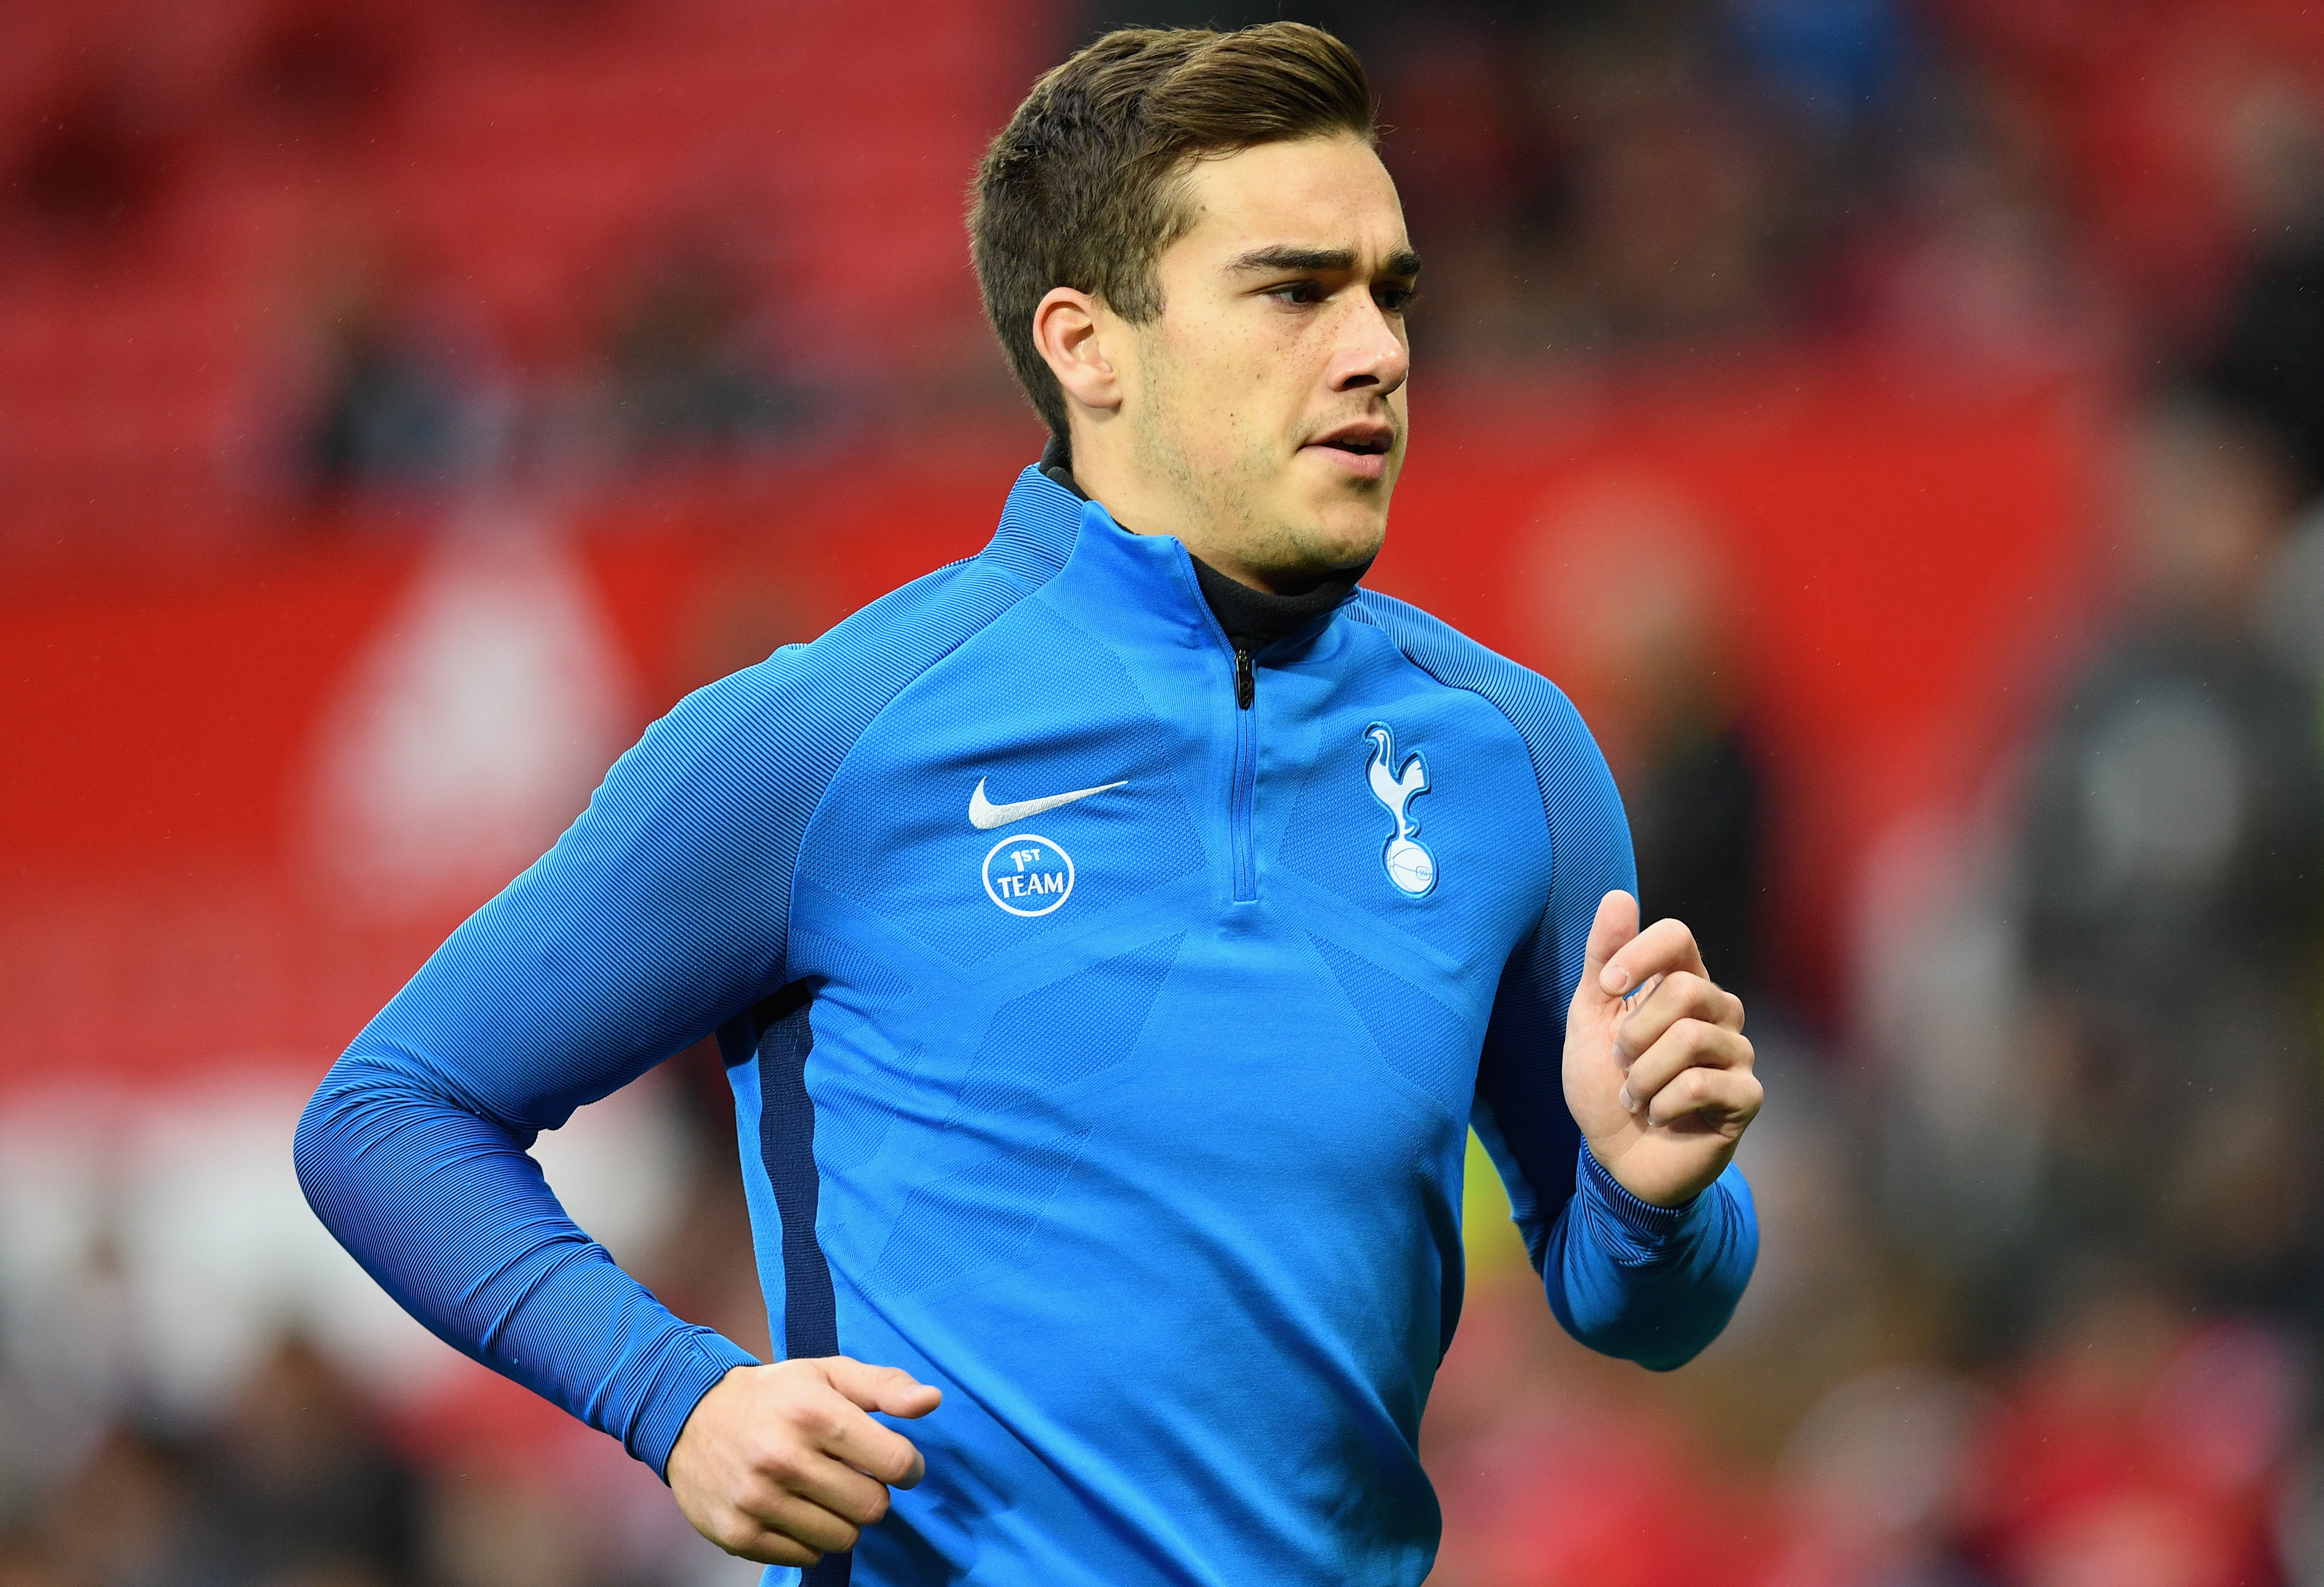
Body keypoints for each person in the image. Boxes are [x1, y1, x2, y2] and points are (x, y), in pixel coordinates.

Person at [295, 24, 1761, 1586]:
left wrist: (1657, 1197)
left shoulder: (1511, 757)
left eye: (1390, 290)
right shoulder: (827, 739)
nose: (1376, 350)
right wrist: (684, 1398)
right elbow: (388, 1116)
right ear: (1086, 344)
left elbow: (1638, 1306)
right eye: (1293, 290)